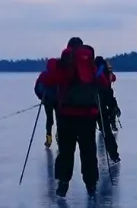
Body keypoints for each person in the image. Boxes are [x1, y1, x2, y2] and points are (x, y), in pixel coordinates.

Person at [44, 37, 111, 197]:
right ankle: (91, 184)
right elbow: (104, 84)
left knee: (66, 150)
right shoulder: (91, 67)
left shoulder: (63, 65)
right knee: (88, 150)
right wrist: (101, 70)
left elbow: (47, 81)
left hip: (66, 116)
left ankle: (63, 182)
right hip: (88, 116)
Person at [94, 55, 121, 164]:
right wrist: (114, 106)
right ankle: (114, 155)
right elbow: (108, 90)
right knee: (107, 132)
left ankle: (91, 162)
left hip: (90, 107)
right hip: (103, 105)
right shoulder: (104, 73)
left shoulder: (91, 71)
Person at [34, 57, 58, 148]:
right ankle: (58, 137)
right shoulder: (59, 74)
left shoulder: (44, 75)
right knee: (59, 120)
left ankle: (48, 138)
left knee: (49, 120)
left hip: (47, 100)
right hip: (58, 101)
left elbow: (37, 88)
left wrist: (41, 98)